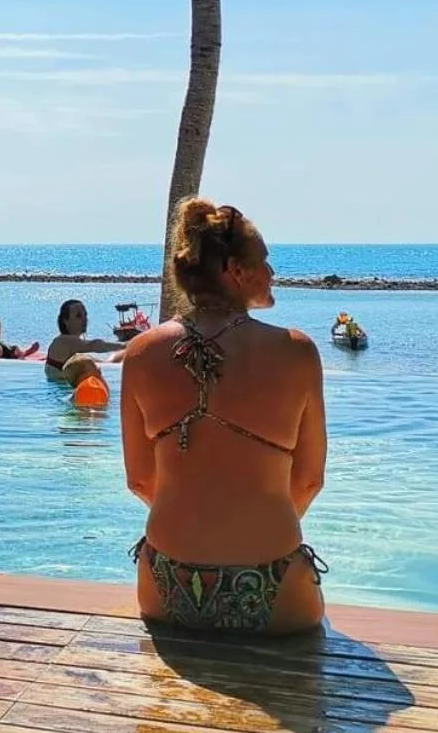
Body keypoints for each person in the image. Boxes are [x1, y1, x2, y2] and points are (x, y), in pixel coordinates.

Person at [119, 198, 328, 634]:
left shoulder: (140, 353)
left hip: (166, 585)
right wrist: (251, 529)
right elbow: (309, 480)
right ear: (235, 270)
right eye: (264, 262)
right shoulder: (297, 352)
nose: (272, 272)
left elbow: (140, 480)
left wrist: (201, 527)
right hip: (276, 587)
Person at [44, 298, 131, 372]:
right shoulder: (63, 341)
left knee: (112, 360)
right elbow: (94, 345)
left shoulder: (69, 345)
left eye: (85, 315)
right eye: (78, 316)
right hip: (61, 386)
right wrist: (124, 345)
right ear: (65, 321)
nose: (84, 319)